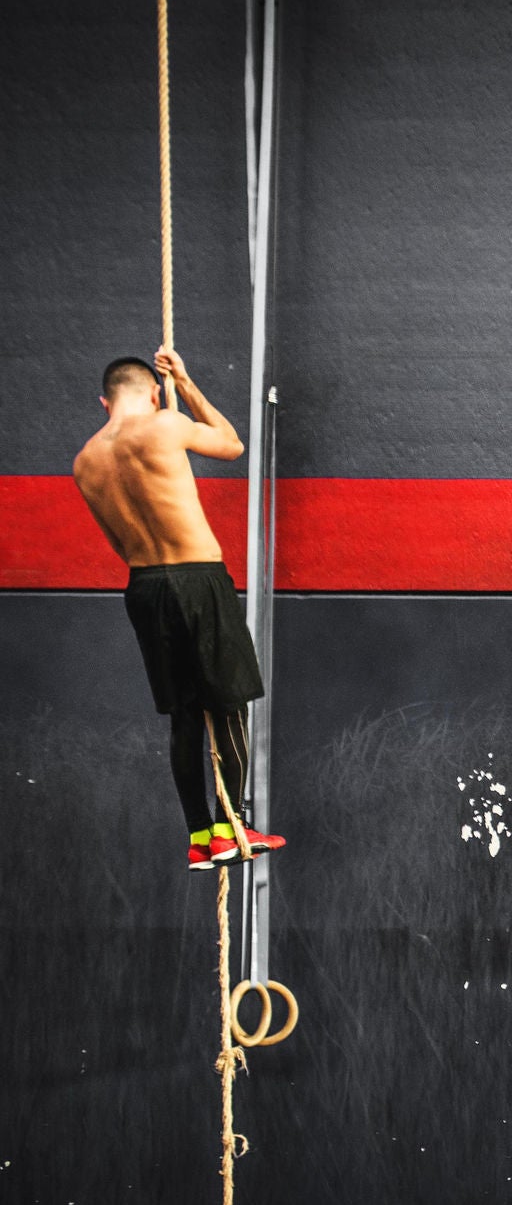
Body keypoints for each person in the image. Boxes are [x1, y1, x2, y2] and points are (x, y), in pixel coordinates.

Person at [74, 349, 287, 871]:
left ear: (105, 402)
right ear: (152, 392)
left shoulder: (85, 462)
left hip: (144, 587)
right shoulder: (166, 424)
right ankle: (233, 825)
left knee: (184, 714)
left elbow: (117, 543)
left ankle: (199, 835)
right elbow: (232, 443)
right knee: (230, 703)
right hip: (198, 578)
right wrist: (186, 383)